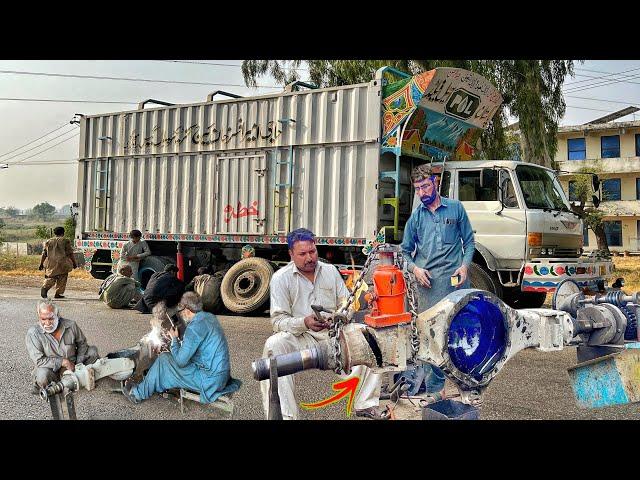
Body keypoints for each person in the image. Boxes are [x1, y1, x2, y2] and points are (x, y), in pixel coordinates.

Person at [260, 228, 384, 420]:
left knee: (369, 336)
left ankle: (366, 404)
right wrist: (305, 322)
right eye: (302, 254)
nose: (309, 257)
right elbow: (278, 321)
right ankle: (285, 416)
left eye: (312, 251)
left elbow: (347, 303)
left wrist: (340, 316)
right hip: (303, 337)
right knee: (274, 345)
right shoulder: (280, 279)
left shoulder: (330, 271)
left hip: (333, 334)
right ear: (291, 254)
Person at [399, 163, 475, 396]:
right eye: (417, 189)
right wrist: (415, 270)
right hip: (428, 289)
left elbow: (469, 242)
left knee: (461, 333)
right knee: (430, 338)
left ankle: (467, 382)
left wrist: (464, 265)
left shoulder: (455, 209)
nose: (421, 193)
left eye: (425, 186)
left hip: (455, 286)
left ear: (435, 183)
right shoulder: (416, 218)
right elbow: (404, 253)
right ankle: (435, 389)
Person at [121, 292, 241, 404]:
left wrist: (174, 340)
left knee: (164, 359)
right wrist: (180, 343)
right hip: (221, 376)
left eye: (182, 311)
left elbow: (180, 362)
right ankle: (156, 381)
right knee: (170, 359)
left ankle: (137, 394)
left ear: (188, 310)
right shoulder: (208, 318)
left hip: (210, 381)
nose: (182, 314)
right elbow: (199, 348)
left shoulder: (194, 328)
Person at [25, 300, 99, 393]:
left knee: (93, 351)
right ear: (39, 317)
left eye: (51, 318)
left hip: (73, 364)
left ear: (57, 316)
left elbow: (82, 344)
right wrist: (63, 362)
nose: (47, 323)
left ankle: (78, 377)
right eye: (43, 319)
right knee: (42, 375)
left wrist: (79, 363)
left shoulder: (71, 325)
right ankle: (45, 386)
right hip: (52, 369)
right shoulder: (33, 333)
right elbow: (39, 360)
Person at [39, 226, 77, 299]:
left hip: (51, 262)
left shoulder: (48, 241)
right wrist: (74, 263)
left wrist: (41, 263)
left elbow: (44, 254)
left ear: (55, 233)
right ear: (63, 233)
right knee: (62, 277)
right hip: (63, 262)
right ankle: (58, 293)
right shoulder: (65, 241)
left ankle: (45, 288)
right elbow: (70, 253)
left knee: (51, 276)